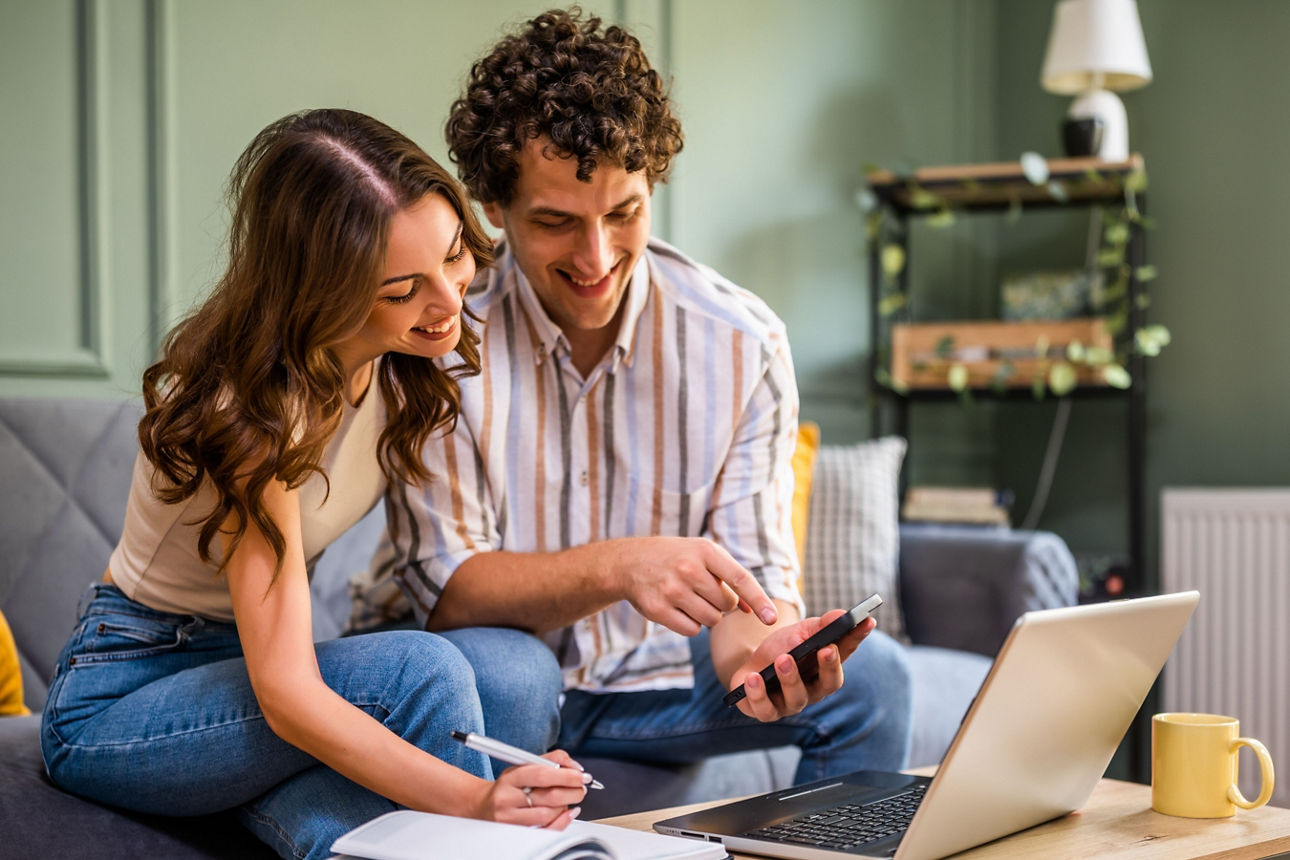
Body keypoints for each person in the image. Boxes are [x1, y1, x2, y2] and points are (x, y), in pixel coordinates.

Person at [351, 9, 913, 786]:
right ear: (492, 209)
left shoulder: (742, 344)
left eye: (624, 214)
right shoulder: (442, 334)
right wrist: (621, 566)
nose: (596, 257)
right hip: (494, 677)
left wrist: (768, 658)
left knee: (879, 682)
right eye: (554, 222)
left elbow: (747, 589)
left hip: (655, 682)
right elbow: (450, 590)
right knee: (508, 676)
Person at [40, 109, 587, 860]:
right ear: (320, 290)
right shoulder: (249, 411)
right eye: (402, 289)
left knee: (512, 676)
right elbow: (289, 694)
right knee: (418, 672)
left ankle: (283, 806)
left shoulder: (402, 360)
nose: (448, 303)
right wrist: (478, 799)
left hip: (250, 681)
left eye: (454, 256)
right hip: (128, 695)